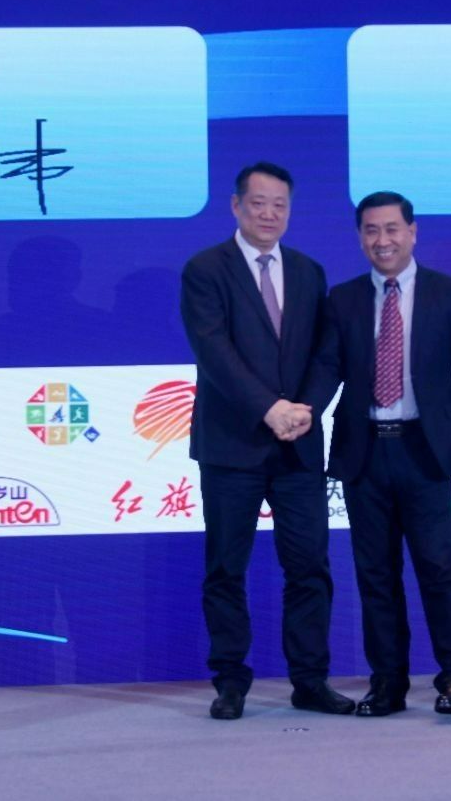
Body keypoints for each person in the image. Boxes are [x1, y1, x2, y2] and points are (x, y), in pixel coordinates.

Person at [302, 190, 451, 718]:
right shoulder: (343, 298)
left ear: (412, 232)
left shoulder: (449, 292)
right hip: (364, 453)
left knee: (440, 570)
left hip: (426, 452)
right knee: (375, 576)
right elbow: (327, 367)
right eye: (370, 230)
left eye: (391, 229)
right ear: (360, 237)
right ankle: (388, 684)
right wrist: (303, 411)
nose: (381, 240)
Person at [179, 162, 356, 720]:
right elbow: (214, 352)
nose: (269, 214)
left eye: (280, 204)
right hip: (231, 446)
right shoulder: (205, 269)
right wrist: (268, 408)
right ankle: (230, 682)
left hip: (298, 445)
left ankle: (310, 680)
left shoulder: (308, 271)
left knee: (309, 567)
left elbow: (326, 353)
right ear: (236, 206)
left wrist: (306, 409)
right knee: (226, 569)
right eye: (258, 203)